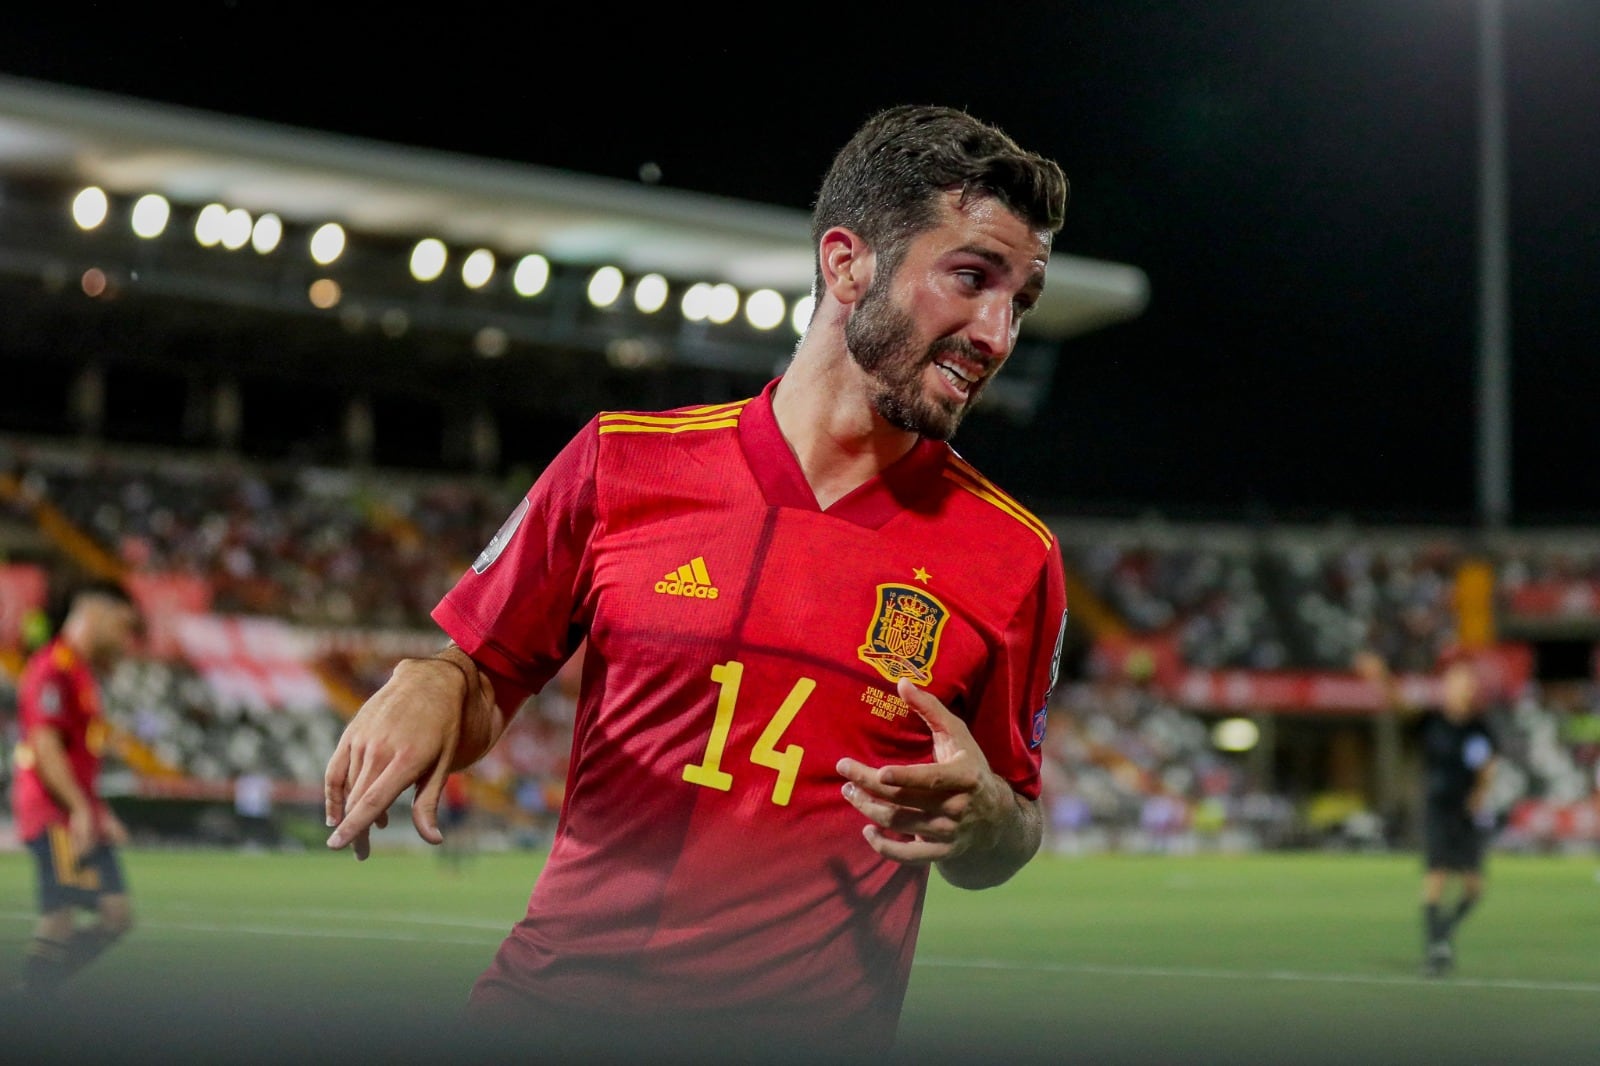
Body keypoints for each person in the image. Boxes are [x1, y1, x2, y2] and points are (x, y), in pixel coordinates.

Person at [324, 103, 1072, 1058]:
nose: (998, 333)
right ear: (847, 262)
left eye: (1023, 300)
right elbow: (480, 675)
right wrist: (433, 677)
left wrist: (986, 821)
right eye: (971, 279)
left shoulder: (1015, 557)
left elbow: (1011, 825)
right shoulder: (620, 464)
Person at [9, 577, 141, 996]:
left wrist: (97, 809)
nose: (125, 639)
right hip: (54, 810)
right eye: (122, 626)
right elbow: (45, 747)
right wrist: (83, 809)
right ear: (95, 617)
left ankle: (34, 989)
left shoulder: (80, 674)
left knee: (116, 915)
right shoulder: (52, 668)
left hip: (77, 809)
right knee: (60, 914)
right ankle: (29, 998)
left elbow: (77, 757)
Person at [1354, 647, 1499, 978]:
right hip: (1437, 809)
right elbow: (1400, 705)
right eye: (1455, 680)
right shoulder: (1431, 721)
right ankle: (1436, 951)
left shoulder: (1478, 726)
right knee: (1435, 877)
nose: (1461, 685)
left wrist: (1480, 792)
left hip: (1466, 814)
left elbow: (1489, 762)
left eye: (1466, 680)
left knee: (1474, 889)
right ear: (1446, 686)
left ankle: (1444, 932)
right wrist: (1382, 677)